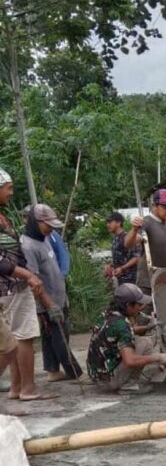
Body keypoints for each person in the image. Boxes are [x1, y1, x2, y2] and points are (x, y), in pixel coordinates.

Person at [0, 170, 53, 400]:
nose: (11, 192)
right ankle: (28, 388)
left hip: (12, 286)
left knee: (14, 339)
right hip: (10, 287)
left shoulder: (2, 217)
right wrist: (27, 275)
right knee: (22, 338)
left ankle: (16, 388)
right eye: (8, 187)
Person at [21, 204, 83, 382]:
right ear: (35, 222)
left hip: (59, 296)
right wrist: (48, 305)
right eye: (48, 224)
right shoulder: (27, 246)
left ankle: (53, 371)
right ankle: (75, 373)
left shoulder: (45, 237)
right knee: (60, 337)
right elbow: (33, 280)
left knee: (50, 337)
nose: (51, 229)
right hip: (47, 302)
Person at [86, 283, 166, 391]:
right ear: (128, 305)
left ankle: (120, 379)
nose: (142, 307)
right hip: (109, 382)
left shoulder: (107, 314)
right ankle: (129, 385)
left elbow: (129, 330)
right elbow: (130, 361)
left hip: (97, 376)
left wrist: (148, 326)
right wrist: (157, 357)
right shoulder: (122, 325)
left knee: (139, 341)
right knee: (145, 343)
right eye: (139, 305)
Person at [104, 211, 140, 285]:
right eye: (107, 222)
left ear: (118, 223)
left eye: (110, 222)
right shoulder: (115, 238)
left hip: (131, 279)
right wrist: (110, 265)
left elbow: (136, 258)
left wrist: (122, 268)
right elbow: (121, 257)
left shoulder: (128, 238)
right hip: (121, 279)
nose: (107, 225)